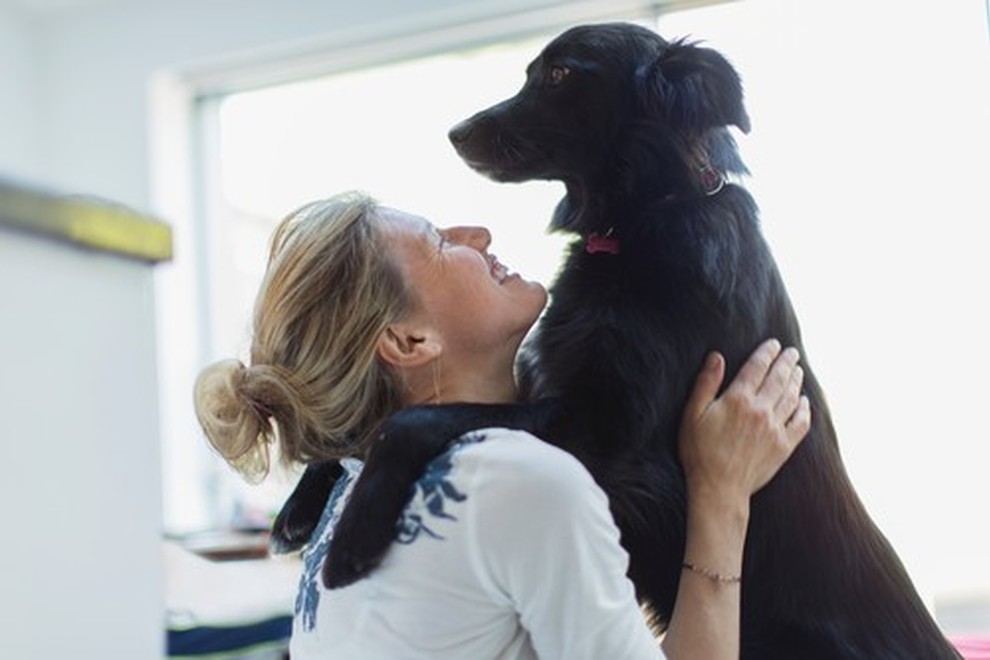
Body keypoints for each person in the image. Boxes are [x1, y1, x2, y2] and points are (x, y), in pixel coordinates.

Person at [193, 191, 811, 659]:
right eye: (439, 242)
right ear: (409, 341)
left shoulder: (348, 497)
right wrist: (722, 495)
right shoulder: (515, 480)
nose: (478, 234)